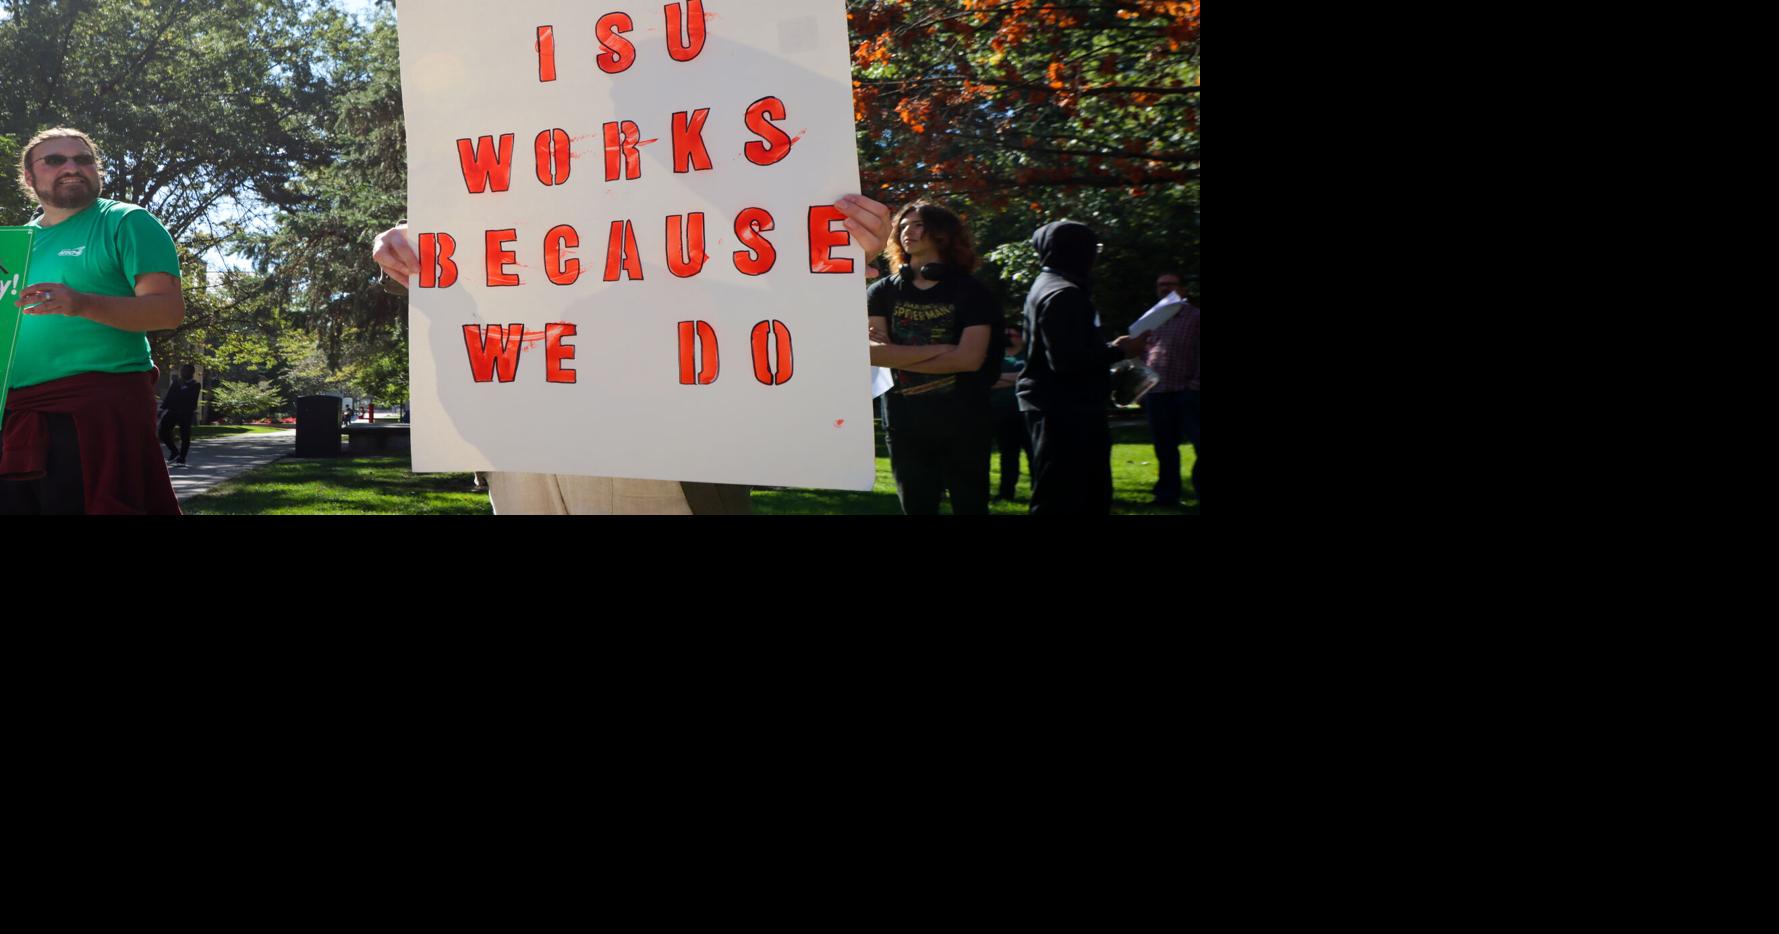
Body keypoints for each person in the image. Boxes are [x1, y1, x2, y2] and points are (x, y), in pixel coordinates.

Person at [372, 194, 893, 515]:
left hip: (663, 462)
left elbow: (759, 298)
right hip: (523, 453)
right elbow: (465, 258)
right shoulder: (511, 121)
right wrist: (405, 245)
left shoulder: (685, 137)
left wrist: (827, 260)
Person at [0, 127, 184, 515]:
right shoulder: (12, 244)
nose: (72, 167)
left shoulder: (126, 222)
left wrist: (81, 303)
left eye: (83, 159)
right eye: (55, 160)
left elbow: (167, 311)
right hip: (15, 414)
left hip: (95, 412)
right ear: (29, 177)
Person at [866, 200, 1002, 515]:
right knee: (916, 508)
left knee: (971, 508)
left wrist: (898, 355)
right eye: (902, 226)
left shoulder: (972, 292)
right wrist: (943, 349)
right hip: (904, 424)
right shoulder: (882, 292)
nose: (906, 231)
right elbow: (874, 354)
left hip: (964, 421)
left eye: (917, 224)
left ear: (941, 233)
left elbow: (969, 360)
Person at [1015, 220, 1142, 515]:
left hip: (1057, 406)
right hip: (1066, 412)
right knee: (1068, 497)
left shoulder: (1049, 285)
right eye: (1092, 248)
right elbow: (1066, 360)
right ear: (1076, 251)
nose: (1095, 256)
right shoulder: (1064, 293)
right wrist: (1119, 350)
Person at [1137, 273, 1200, 507]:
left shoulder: (1195, 317)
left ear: (1182, 290)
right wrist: (1141, 388)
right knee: (1164, 448)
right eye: (1160, 285)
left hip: (1187, 391)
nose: (1164, 288)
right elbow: (1142, 353)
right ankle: (1167, 495)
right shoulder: (1151, 319)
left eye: (1170, 284)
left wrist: (1195, 385)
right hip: (1157, 392)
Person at [990, 325, 1031, 501]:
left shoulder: (1029, 355)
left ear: (1022, 337)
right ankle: (1006, 493)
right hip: (1002, 414)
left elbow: (1034, 378)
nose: (1008, 338)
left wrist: (1003, 378)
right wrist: (1019, 378)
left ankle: (1040, 491)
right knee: (1008, 455)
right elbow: (989, 381)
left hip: (1028, 413)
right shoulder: (997, 358)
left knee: (1034, 453)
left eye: (1012, 335)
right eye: (1004, 334)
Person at [160, 364, 201, 466]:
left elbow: (190, 398)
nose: (183, 373)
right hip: (173, 411)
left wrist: (183, 386)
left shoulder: (195, 385)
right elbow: (170, 396)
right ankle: (174, 451)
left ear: (191, 373)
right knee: (163, 432)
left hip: (186, 413)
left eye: (185, 371)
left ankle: (182, 459)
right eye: (182, 371)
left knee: (185, 436)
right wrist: (163, 408)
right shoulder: (176, 382)